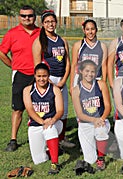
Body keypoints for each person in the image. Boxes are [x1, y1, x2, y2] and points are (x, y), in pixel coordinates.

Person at [0, 5, 41, 152]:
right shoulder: (12, 33)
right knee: (18, 108)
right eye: (23, 16)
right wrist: (13, 66)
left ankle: (43, 137)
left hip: (39, 75)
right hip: (21, 75)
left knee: (41, 107)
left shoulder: (41, 33)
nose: (27, 18)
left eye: (29, 15)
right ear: (19, 17)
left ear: (35, 16)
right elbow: (2, 52)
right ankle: (13, 140)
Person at [32, 10, 74, 148]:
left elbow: (68, 62)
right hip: (48, 81)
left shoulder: (62, 40)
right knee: (49, 110)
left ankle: (61, 139)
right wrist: (49, 82)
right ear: (42, 24)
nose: (50, 24)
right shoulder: (39, 42)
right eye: (47, 22)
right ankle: (46, 138)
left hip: (61, 80)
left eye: (52, 21)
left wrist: (63, 81)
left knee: (64, 111)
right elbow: (38, 67)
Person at [23, 63, 63, 174]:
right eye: (39, 76)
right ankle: (53, 149)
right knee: (39, 161)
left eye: (44, 76)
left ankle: (55, 163)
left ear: (48, 76)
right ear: (35, 76)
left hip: (54, 123)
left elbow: (60, 111)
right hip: (36, 124)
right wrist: (42, 122)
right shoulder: (28, 90)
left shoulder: (55, 89)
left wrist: (52, 120)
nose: (42, 79)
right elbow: (30, 110)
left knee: (49, 129)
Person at [72, 60, 111, 170]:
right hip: (85, 124)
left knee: (101, 130)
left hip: (101, 120)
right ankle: (104, 148)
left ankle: (101, 158)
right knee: (89, 159)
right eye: (87, 71)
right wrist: (94, 120)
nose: (90, 74)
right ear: (81, 71)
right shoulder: (76, 90)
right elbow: (79, 114)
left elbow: (108, 106)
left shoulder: (101, 84)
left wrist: (101, 119)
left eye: (92, 71)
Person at [70, 19, 107, 92]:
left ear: (96, 30)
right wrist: (71, 85)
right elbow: (74, 65)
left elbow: (104, 66)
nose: (90, 32)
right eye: (87, 29)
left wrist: (104, 83)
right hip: (81, 79)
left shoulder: (103, 46)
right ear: (84, 30)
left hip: (96, 79)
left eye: (92, 29)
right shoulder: (78, 45)